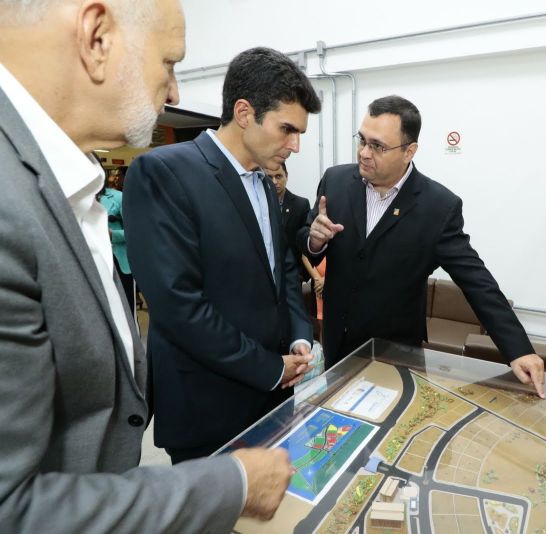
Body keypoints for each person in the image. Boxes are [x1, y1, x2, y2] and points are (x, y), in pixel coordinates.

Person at [0, 1, 293, 531]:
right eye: (169, 63)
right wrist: (233, 483)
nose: (175, 92)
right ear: (97, 38)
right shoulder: (11, 203)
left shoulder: (58, 181)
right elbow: (13, 509)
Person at [124, 47, 321, 463]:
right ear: (245, 113)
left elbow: (283, 271)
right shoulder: (165, 173)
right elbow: (179, 305)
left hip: (273, 396)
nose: (295, 145)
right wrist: (270, 367)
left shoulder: (264, 182)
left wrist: (300, 336)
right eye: (287, 129)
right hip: (208, 404)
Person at [300, 95, 546, 397]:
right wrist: (314, 241)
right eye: (361, 140)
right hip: (337, 344)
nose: (364, 153)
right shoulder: (336, 181)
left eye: (377, 146)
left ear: (409, 151)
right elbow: (307, 236)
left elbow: (476, 280)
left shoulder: (437, 207)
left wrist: (519, 349)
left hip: (395, 354)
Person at [97, 171, 135, 313]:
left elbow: (135, 231)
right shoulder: (76, 198)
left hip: (119, 262)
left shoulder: (118, 197)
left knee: (127, 309)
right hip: (93, 261)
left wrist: (112, 235)